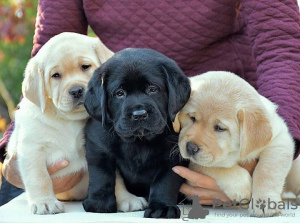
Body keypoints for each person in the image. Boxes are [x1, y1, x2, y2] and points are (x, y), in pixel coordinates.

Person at [1, 0, 299, 206]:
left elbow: (281, 46)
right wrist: (15, 149)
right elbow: (51, 54)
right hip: (119, 139)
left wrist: (254, 159)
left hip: (222, 130)